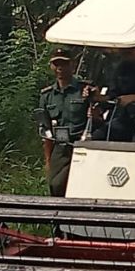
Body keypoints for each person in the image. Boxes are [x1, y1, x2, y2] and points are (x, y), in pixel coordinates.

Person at [37, 48, 90, 197]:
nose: (60, 68)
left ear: (72, 65)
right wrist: (48, 159)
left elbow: (98, 117)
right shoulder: (47, 96)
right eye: (56, 64)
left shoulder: (84, 90)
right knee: (56, 185)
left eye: (64, 63)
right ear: (52, 66)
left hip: (82, 145)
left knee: (82, 186)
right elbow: (45, 130)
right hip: (60, 147)